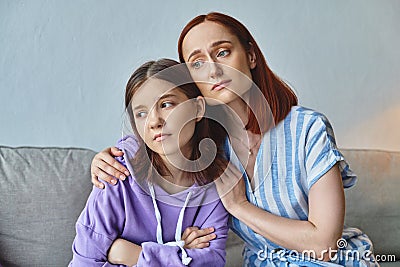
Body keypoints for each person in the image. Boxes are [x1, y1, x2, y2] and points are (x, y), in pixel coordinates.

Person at [91, 13, 378, 266]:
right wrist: (104, 159)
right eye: (198, 63)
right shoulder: (204, 149)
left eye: (224, 52)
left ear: (251, 55)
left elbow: (324, 245)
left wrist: (240, 207)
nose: (214, 70)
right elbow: (150, 147)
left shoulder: (307, 129)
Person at [69, 58, 230, 266]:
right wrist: (179, 252)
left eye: (166, 104)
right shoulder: (116, 172)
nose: (154, 122)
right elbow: (85, 259)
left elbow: (212, 261)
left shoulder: (216, 182)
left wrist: (132, 255)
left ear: (198, 108)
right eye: (141, 113)